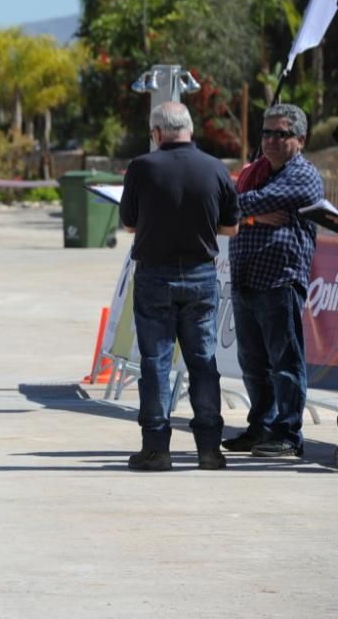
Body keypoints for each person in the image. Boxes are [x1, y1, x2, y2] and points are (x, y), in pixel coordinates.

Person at [119, 101, 239, 471]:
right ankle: (209, 448)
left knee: (155, 363)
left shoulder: (141, 167)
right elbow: (231, 227)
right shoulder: (215, 168)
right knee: (202, 362)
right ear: (190, 129)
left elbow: (129, 224)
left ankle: (156, 447)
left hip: (155, 275)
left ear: (156, 133)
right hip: (202, 277)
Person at [222, 103, 324, 458]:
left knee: (285, 362)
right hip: (246, 278)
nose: (270, 141)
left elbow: (241, 202)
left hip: (279, 280)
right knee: (253, 362)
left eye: (280, 134)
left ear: (300, 138)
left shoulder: (303, 175)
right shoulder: (256, 172)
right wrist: (254, 215)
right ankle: (260, 427)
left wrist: (244, 207)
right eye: (266, 133)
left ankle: (287, 433)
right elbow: (232, 204)